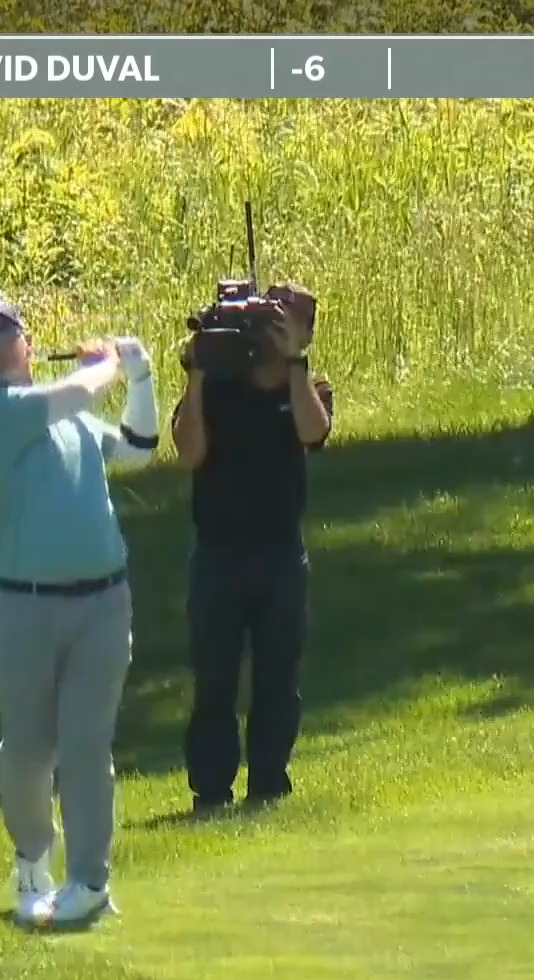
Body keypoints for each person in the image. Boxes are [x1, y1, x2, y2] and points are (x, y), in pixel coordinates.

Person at [0, 295, 159, 928]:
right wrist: (108, 366)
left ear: (25, 338)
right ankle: (32, 860)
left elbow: (137, 449)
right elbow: (72, 396)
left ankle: (90, 882)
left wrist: (144, 378)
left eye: (1, 330)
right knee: (27, 748)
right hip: (26, 609)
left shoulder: (69, 415)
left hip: (103, 602)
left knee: (85, 743)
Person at [168, 285, 333, 814]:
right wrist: (194, 375)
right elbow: (189, 452)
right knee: (214, 677)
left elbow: (313, 430)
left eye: (292, 321)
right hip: (218, 554)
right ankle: (211, 789)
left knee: (277, 676)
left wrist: (294, 366)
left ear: (305, 333)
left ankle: (268, 781)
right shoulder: (217, 387)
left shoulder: (307, 387)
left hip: (281, 553)